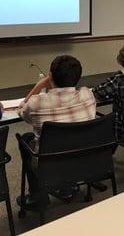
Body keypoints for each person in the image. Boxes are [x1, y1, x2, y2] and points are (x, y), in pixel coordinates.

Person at [17, 55, 96, 205]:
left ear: (50, 76)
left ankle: (37, 196)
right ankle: (68, 184)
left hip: (49, 165)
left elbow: (21, 111)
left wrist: (39, 86)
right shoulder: (88, 95)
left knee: (26, 139)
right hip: (84, 159)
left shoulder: (37, 102)